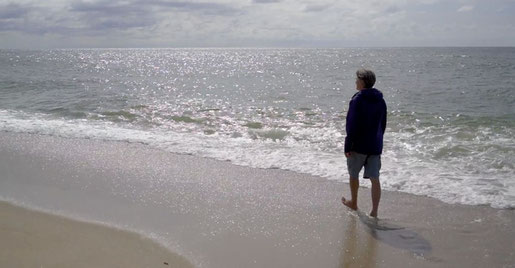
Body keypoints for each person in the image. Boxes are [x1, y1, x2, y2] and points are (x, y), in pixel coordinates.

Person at [341, 69, 387, 218]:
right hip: (375, 145)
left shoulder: (358, 99)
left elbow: (351, 124)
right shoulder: (380, 100)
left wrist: (348, 145)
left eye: (357, 80)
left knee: (353, 175)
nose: (355, 82)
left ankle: (354, 202)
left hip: (358, 146)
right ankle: (374, 211)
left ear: (362, 82)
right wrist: (379, 140)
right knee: (375, 179)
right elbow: (383, 124)